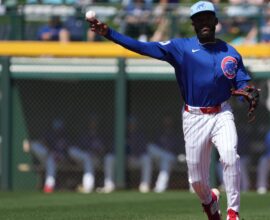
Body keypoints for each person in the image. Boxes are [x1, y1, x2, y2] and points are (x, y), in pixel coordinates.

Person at [87, 1, 259, 219]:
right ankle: (210, 201)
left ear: (216, 22)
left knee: (230, 157)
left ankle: (233, 213)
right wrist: (109, 33)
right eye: (199, 19)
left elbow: (243, 83)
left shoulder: (231, 53)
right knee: (196, 182)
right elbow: (143, 47)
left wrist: (247, 91)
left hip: (222, 113)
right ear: (193, 23)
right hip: (194, 116)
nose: (204, 22)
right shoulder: (182, 48)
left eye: (207, 18)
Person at [68, 114, 115, 194]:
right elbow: (79, 147)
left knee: (88, 159)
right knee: (74, 151)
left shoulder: (102, 135)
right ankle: (87, 187)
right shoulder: (84, 135)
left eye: (94, 122)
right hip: (84, 157)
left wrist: (97, 153)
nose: (93, 123)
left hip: (97, 159)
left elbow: (105, 150)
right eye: (91, 122)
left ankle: (88, 187)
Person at [30, 118, 70, 193]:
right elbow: (42, 142)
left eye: (59, 128)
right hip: (47, 156)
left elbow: (66, 153)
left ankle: (49, 186)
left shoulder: (65, 137)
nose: (58, 130)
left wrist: (57, 156)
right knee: (34, 145)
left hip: (59, 158)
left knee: (51, 160)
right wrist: (48, 150)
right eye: (57, 128)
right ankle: (49, 186)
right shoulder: (50, 135)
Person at [144, 114, 183, 193]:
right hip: (159, 158)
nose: (167, 122)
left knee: (166, 161)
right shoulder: (159, 132)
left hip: (172, 158)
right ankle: (159, 188)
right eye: (166, 120)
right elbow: (154, 146)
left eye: (169, 120)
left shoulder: (176, 134)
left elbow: (179, 149)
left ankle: (160, 188)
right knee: (150, 147)